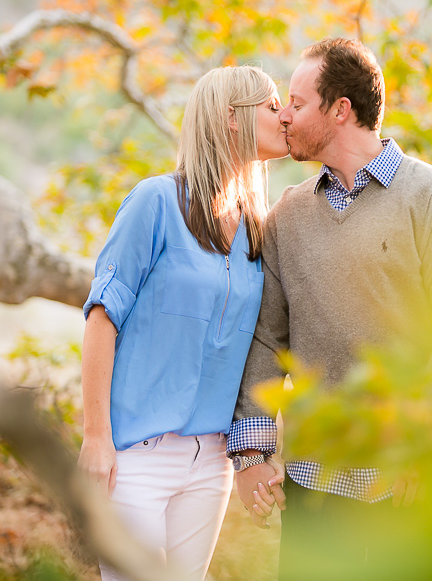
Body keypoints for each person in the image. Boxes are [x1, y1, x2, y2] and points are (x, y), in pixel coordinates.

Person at [225, 38, 432, 579]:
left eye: (297, 102)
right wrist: (251, 455)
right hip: (316, 485)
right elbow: (268, 340)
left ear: (341, 109)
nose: (285, 116)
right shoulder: (287, 216)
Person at [78, 65, 288, 580]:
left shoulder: (259, 229)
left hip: (210, 459)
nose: (285, 116)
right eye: (272, 104)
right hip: (135, 455)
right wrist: (95, 438)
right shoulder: (155, 201)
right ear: (232, 119)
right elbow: (102, 319)